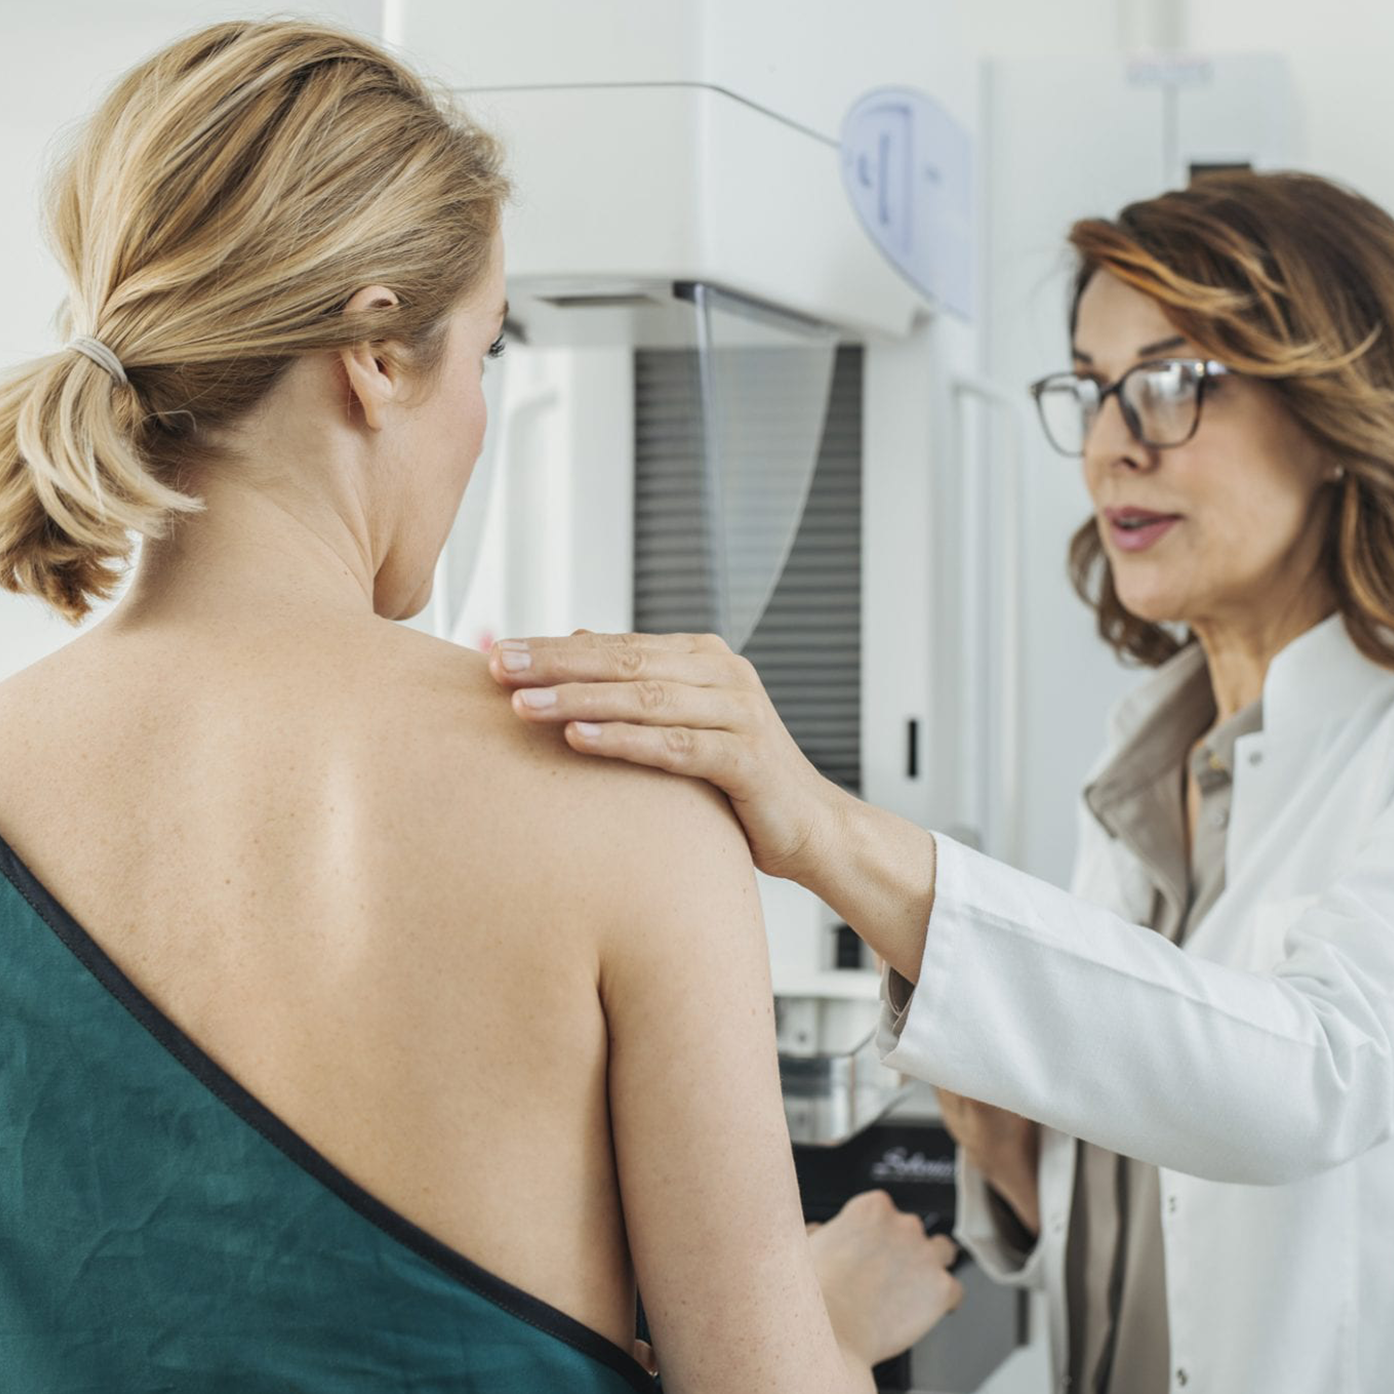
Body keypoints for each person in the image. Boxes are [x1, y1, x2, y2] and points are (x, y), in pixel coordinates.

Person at [0, 21, 962, 1394]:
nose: (482, 415)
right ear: (379, 357)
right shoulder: (616, 806)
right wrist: (824, 1326)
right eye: (489, 352)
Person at [491, 169, 1394, 1394]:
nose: (1111, 441)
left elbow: (1309, 1077)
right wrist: (1023, 1181)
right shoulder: (1145, 769)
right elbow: (1154, 1218)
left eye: (1172, 381)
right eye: (1088, 386)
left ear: (1339, 404)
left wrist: (819, 827)